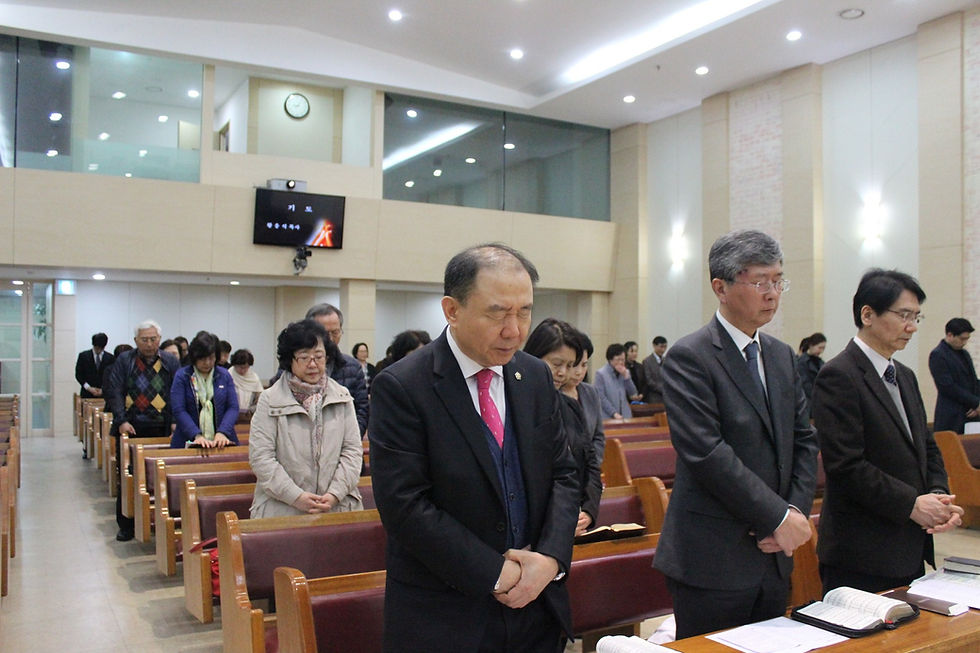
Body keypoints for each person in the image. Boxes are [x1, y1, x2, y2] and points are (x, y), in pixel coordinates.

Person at [369, 243, 579, 652]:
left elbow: (564, 473)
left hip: (536, 608)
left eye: (524, 312)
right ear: (452, 310)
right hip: (445, 616)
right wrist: (497, 573)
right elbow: (405, 505)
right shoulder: (403, 386)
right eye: (497, 313)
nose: (514, 330)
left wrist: (551, 559)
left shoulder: (534, 375)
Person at [653, 229, 818, 639]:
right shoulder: (690, 356)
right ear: (720, 287)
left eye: (778, 281)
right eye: (760, 282)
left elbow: (803, 440)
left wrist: (792, 515)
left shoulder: (781, 356)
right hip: (713, 557)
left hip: (774, 553)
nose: (772, 294)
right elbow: (707, 453)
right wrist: (776, 517)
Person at [813, 269, 963, 594]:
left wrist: (937, 495)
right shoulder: (839, 375)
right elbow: (846, 465)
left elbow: (926, 446)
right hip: (861, 552)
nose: (912, 326)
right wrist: (912, 504)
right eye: (903, 315)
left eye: (916, 317)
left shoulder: (905, 375)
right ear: (867, 314)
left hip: (908, 545)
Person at [249, 319, 363, 518]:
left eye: (319, 357)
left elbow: (352, 451)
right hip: (283, 509)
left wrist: (335, 494)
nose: (313, 364)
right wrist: (296, 497)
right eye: (304, 358)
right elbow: (262, 458)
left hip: (338, 506)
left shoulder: (342, 396)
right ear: (289, 360)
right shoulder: (270, 399)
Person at [104, 319, 181, 541]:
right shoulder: (125, 360)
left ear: (159, 339)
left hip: (163, 428)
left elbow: (177, 392)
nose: (149, 344)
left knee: (161, 478)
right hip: (132, 428)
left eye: (153, 339)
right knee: (129, 477)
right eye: (144, 339)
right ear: (136, 340)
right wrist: (120, 420)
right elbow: (115, 391)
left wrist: (175, 421)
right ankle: (126, 525)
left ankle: (159, 523)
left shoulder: (170, 361)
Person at [524, 318, 602, 537]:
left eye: (569, 366)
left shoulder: (569, 406)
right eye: (556, 364)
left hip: (571, 519)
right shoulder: (514, 405)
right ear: (533, 357)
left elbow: (590, 462)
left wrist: (588, 511)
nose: (563, 373)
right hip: (533, 525)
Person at [305, 303, 369, 434]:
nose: (330, 338)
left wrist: (349, 441)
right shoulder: (294, 365)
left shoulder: (353, 367)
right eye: (324, 333)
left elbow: (361, 411)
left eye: (335, 332)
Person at [169, 331, 240, 449]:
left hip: (222, 441)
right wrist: (196, 435)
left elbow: (233, 407)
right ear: (194, 357)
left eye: (211, 358)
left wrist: (222, 432)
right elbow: (179, 410)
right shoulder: (182, 376)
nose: (207, 363)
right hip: (187, 440)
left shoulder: (224, 375)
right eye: (202, 358)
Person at [929, 318, 980, 434]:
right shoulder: (938, 355)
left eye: (967, 339)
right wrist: (975, 403)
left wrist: (977, 404)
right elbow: (947, 386)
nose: (965, 342)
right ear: (950, 335)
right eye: (962, 339)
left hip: (970, 413)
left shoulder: (964, 354)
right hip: (951, 416)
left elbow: (973, 380)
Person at [562, 329, 605, 465]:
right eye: (574, 365)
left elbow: (598, 436)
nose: (579, 372)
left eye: (584, 365)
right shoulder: (551, 393)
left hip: (588, 469)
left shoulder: (590, 392)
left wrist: (592, 466)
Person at [594, 343, 637, 419]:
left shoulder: (625, 372)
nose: (621, 362)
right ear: (610, 359)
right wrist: (613, 413)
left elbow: (633, 393)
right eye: (618, 359)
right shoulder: (601, 374)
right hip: (607, 416)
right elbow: (601, 398)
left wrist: (627, 377)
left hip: (625, 415)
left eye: (623, 360)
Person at [75, 332, 114, 399]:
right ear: (93, 345)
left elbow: (112, 377)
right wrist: (88, 388)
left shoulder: (110, 358)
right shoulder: (83, 356)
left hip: (104, 395)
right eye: (96, 347)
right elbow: (79, 375)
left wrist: (103, 390)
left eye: (101, 348)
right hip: (87, 394)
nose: (98, 350)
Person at [795, 332, 826, 411]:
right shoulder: (802, 362)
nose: (821, 351)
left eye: (823, 348)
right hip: (807, 402)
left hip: (818, 401)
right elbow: (805, 384)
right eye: (819, 347)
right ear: (811, 345)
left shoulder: (821, 363)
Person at [229, 348, 264, 413]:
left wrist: (252, 409)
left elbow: (259, 398)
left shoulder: (254, 378)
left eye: (246, 367)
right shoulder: (228, 375)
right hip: (231, 413)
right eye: (241, 367)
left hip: (249, 414)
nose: (243, 370)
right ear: (234, 365)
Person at [641, 336, 668, 405]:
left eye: (665, 347)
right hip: (653, 398)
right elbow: (649, 381)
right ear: (654, 346)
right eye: (661, 347)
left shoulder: (666, 360)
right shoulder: (647, 361)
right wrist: (662, 389)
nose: (663, 350)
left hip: (666, 398)